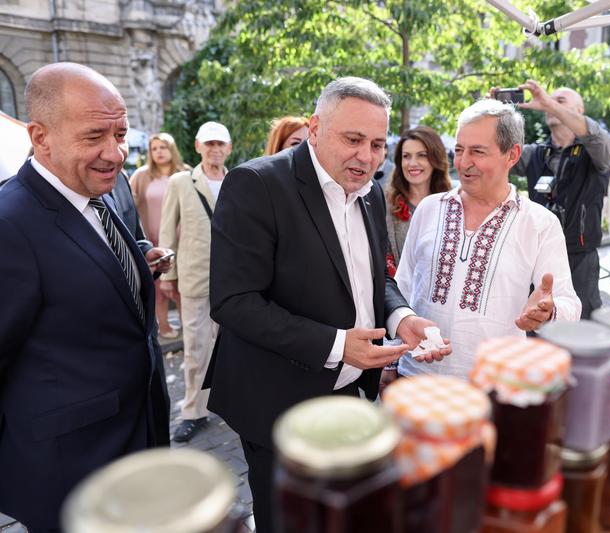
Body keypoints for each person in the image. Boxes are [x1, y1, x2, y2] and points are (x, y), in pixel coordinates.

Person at [205, 76, 450, 532]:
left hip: (348, 392)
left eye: (378, 144)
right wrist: (338, 345)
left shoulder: (372, 191)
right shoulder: (256, 183)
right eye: (353, 139)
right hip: (277, 402)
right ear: (315, 129)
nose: (368, 156)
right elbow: (233, 302)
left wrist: (403, 316)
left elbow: (375, 278)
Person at [0, 62, 171, 532]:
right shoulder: (9, 223)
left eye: (121, 133)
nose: (115, 154)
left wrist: (136, 261)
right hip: (70, 474)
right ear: (40, 136)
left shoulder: (109, 189)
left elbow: (86, 262)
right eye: (95, 136)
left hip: (142, 437)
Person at [386, 98, 581, 381]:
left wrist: (549, 312)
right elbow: (402, 287)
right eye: (459, 150)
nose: (464, 163)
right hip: (416, 378)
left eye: (477, 151)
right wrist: (391, 363)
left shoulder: (539, 223)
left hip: (493, 384)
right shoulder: (429, 209)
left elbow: (569, 305)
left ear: (512, 155)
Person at [498, 81, 610, 318]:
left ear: (579, 112)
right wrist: (495, 111)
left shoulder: (595, 153)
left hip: (579, 259)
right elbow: (497, 154)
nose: (549, 104)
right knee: (534, 323)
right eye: (549, 101)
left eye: (560, 101)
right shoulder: (535, 154)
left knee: (578, 328)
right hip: (537, 255)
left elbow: (600, 140)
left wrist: (549, 104)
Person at [159, 121, 232, 443]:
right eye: (210, 144)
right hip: (195, 277)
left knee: (231, 347)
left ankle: (229, 403)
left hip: (233, 281)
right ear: (198, 146)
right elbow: (166, 230)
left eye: (221, 144)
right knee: (196, 349)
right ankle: (193, 411)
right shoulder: (180, 181)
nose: (216, 149)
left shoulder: (237, 180)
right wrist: (167, 275)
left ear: (228, 148)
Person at [130, 133, 190, 338]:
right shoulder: (141, 175)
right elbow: (128, 205)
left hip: (183, 242)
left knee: (184, 287)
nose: (159, 152)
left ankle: (187, 325)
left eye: (163, 147)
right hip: (153, 242)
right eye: (154, 148)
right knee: (158, 288)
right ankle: (163, 326)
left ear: (171, 149)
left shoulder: (186, 174)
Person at [385, 126, 451, 274]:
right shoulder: (386, 204)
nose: (412, 163)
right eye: (406, 156)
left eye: (421, 155)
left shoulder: (453, 204)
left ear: (435, 158)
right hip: (397, 293)